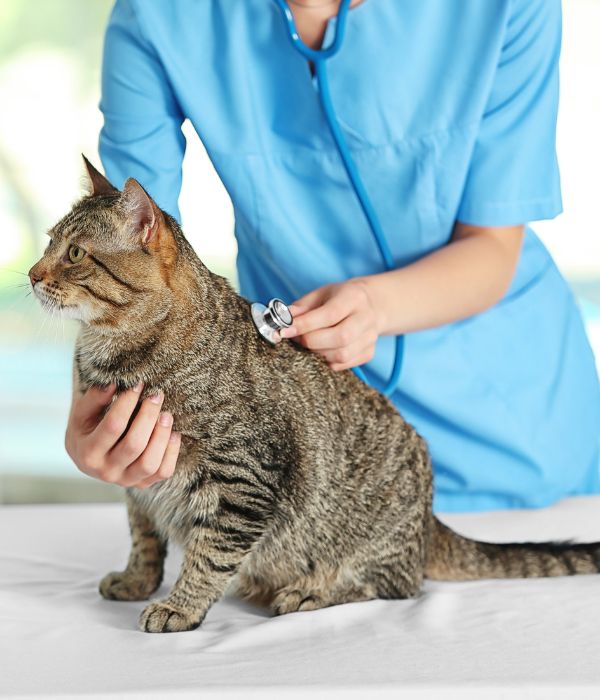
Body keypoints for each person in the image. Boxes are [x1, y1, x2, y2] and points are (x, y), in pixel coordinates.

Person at [65, 0, 600, 512]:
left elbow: (493, 244)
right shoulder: (157, 14)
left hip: (514, 429)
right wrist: (93, 408)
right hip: (300, 439)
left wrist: (375, 304)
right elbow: (123, 250)